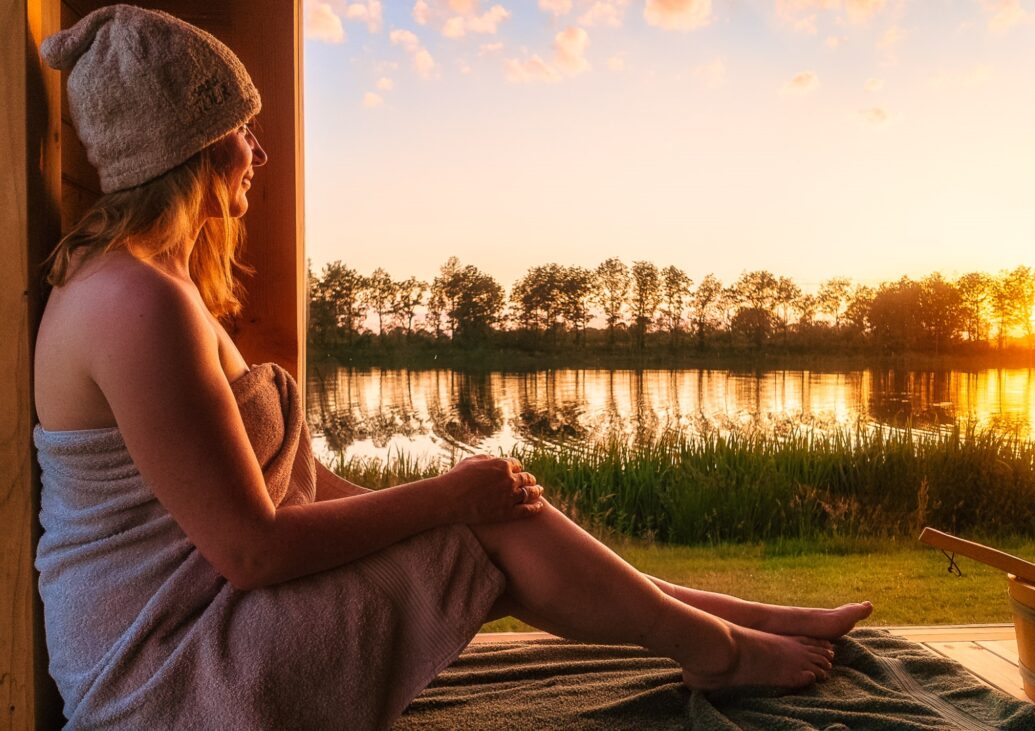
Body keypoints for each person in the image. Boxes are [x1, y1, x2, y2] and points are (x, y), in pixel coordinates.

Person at [32, 5, 873, 729]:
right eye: (241, 131)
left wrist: (453, 494)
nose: (259, 150)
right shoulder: (133, 303)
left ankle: (737, 622)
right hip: (165, 684)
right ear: (194, 145)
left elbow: (303, 487)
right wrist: (448, 500)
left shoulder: (157, 288)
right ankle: (717, 648)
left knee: (484, 508)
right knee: (475, 518)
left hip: (205, 626)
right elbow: (251, 549)